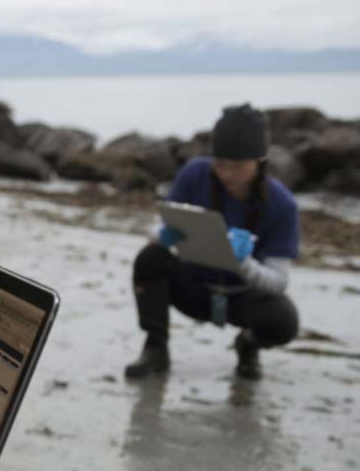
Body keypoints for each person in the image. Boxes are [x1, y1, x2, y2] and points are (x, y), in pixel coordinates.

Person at [123, 104, 301, 381]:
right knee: (150, 258)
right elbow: (160, 226)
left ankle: (248, 346)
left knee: (285, 321)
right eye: (220, 164)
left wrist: (243, 263)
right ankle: (155, 348)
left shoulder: (283, 205)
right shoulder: (196, 174)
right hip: (195, 289)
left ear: (260, 160)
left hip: (242, 297)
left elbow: (279, 281)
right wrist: (163, 235)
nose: (227, 175)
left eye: (239, 166)